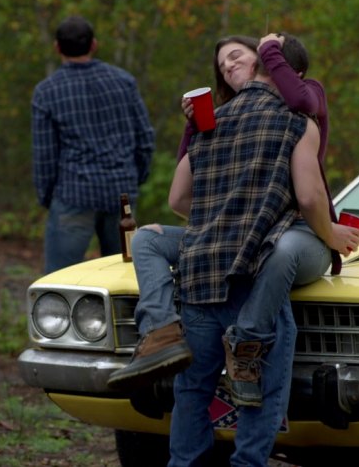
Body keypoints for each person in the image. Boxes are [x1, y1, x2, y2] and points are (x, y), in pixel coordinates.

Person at [107, 33, 343, 392]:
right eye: (222, 65)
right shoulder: (220, 122)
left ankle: (246, 345)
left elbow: (299, 101)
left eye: (237, 56)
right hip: (227, 238)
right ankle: (161, 332)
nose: (229, 66)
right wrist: (193, 127)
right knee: (146, 239)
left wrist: (270, 51)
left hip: (286, 234)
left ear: (263, 63)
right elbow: (183, 195)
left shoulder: (301, 104)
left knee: (283, 250)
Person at [166, 36, 359, 466]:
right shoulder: (294, 122)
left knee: (193, 388)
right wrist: (329, 235)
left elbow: (179, 199)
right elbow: (310, 198)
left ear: (255, 68)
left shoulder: (210, 122)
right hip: (252, 269)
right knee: (261, 388)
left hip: (200, 271)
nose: (230, 65)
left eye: (237, 56)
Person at [32, 15, 155, 274]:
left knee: (60, 280)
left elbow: (44, 156)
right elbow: (144, 139)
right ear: (94, 44)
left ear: (57, 47)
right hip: (122, 194)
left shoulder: (47, 91)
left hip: (73, 194)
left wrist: (47, 198)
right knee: (124, 277)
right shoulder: (124, 82)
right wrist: (134, 180)